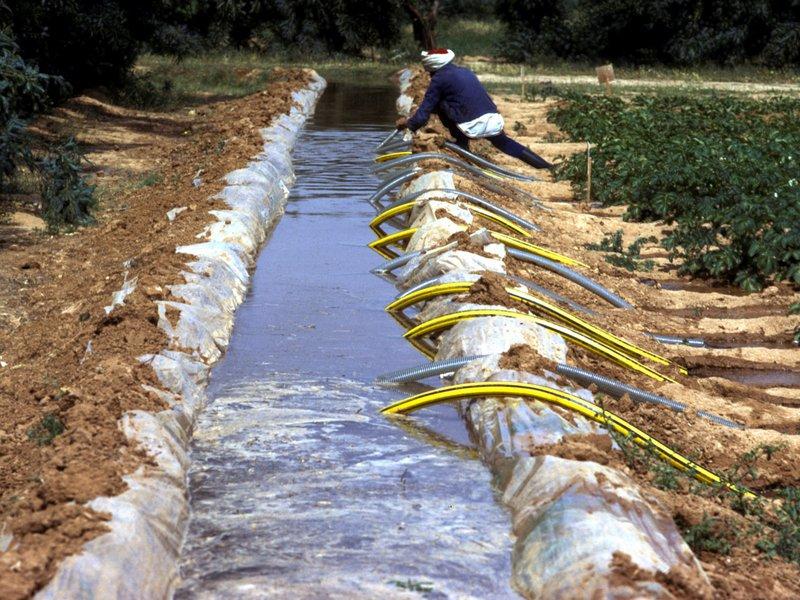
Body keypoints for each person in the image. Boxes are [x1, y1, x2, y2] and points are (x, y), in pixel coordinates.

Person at [396, 48, 553, 170]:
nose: (429, 74)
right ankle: (546, 167)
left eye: (429, 71)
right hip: (492, 118)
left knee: (439, 104)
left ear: (432, 67)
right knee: (505, 143)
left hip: (471, 125)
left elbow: (423, 113)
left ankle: (462, 146)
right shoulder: (464, 71)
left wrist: (409, 125)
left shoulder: (439, 79)